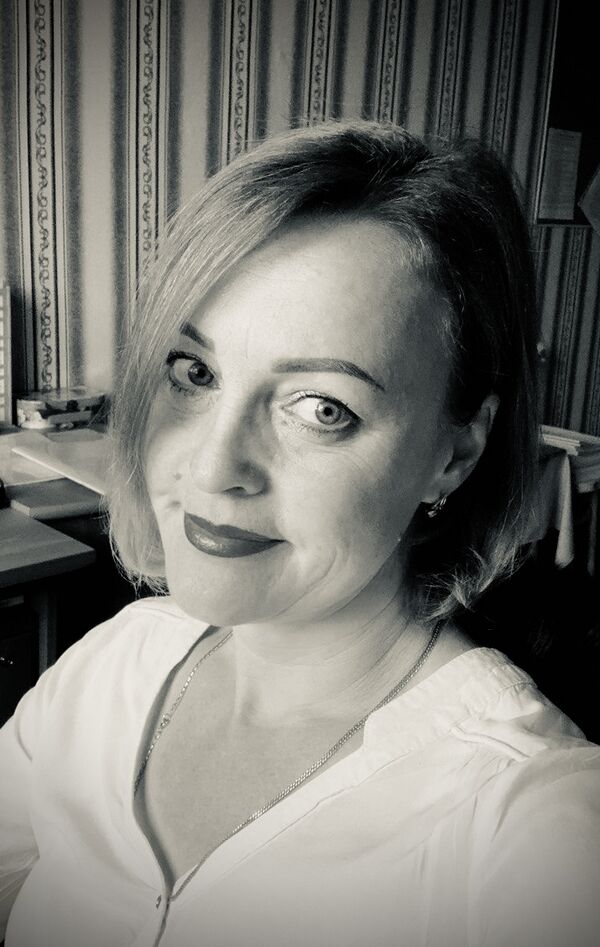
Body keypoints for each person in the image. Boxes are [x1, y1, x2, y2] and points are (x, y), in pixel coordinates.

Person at [1, 120, 599, 947]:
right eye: (195, 373)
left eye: (323, 408)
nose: (213, 467)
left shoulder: (532, 828)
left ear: (455, 452)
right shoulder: (110, 666)